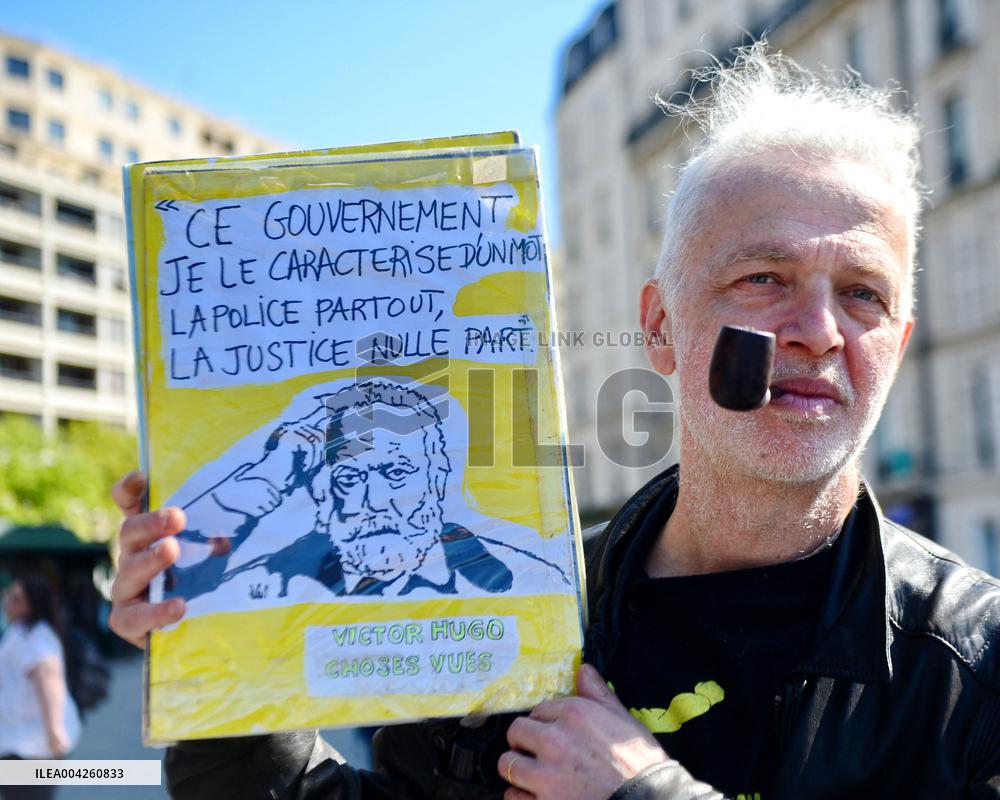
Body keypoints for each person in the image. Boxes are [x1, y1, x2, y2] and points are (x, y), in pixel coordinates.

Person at [108, 46, 1000, 799]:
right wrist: (211, 655)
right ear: (658, 326)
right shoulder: (512, 597)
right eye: (762, 278)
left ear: (899, 340)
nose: (818, 331)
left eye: (863, 294)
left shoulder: (976, 668)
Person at [166, 377, 515, 601]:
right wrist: (265, 478)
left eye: (396, 472)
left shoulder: (512, 577)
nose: (372, 502)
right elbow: (186, 601)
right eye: (349, 479)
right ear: (323, 495)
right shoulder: (272, 581)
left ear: (436, 481)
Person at [0, 576, 81, 800]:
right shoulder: (20, 631)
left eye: (16, 598)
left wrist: (54, 732)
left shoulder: (35, 637)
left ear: (32, 603)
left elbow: (48, 682)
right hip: (19, 742)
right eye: (9, 596)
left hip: (31, 747)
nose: (8, 602)